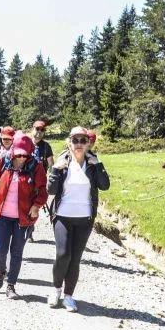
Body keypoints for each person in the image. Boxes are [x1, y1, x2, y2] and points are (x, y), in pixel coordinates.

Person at [47, 126, 110, 312]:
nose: (79, 144)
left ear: (88, 143)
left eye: (83, 140)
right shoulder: (62, 163)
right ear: (69, 142)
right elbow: (51, 190)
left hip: (85, 218)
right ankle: (56, 289)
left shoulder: (93, 164)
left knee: (75, 259)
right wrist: (56, 170)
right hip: (63, 217)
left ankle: (68, 296)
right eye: (75, 140)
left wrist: (98, 164)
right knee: (63, 254)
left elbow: (105, 185)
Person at [0, 131, 47, 299]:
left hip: (24, 218)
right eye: (19, 154)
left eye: (25, 154)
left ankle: (11, 284)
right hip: (2, 214)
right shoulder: (4, 159)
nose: (22, 158)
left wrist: (37, 206)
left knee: (16, 251)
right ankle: (0, 271)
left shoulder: (36, 166)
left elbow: (43, 190)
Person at [26, 120, 54, 243]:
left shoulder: (46, 146)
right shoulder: (26, 143)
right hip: (25, 179)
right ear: (33, 129)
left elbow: (51, 164)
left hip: (38, 182)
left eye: (42, 130)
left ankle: (29, 230)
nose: (39, 133)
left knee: (35, 206)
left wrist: (51, 179)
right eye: (37, 129)